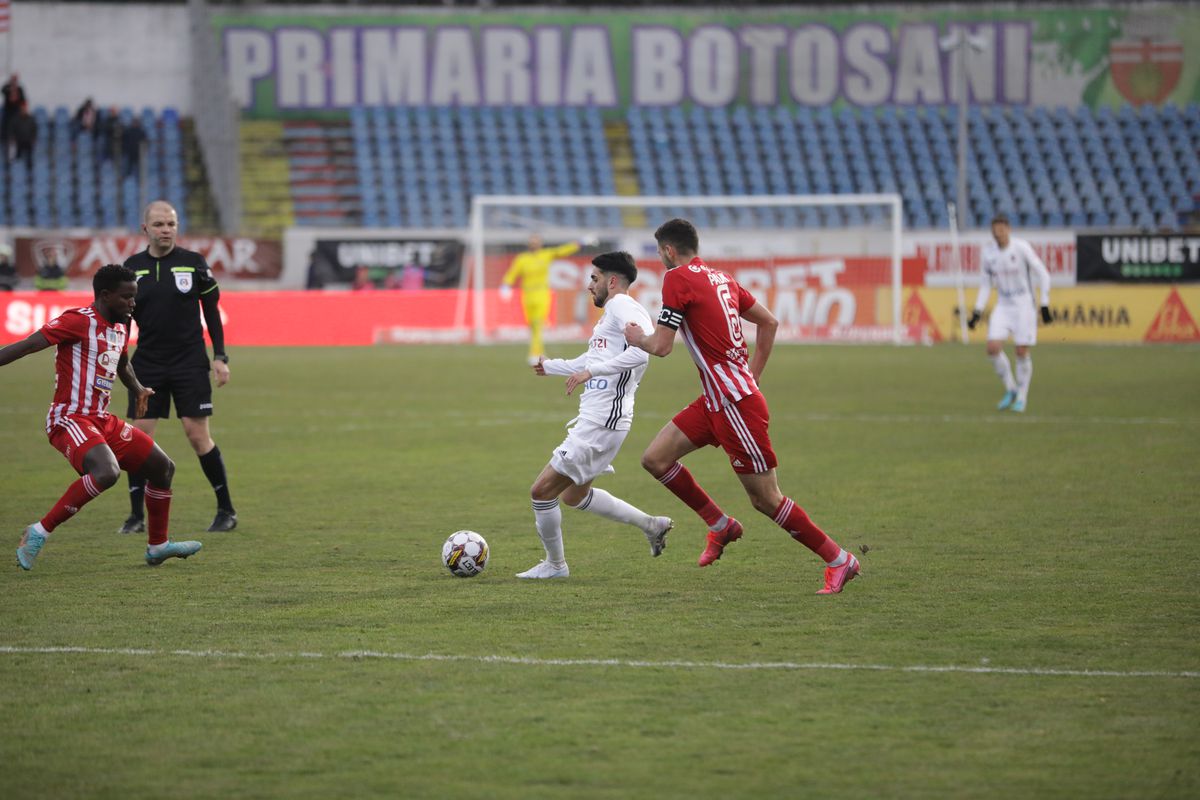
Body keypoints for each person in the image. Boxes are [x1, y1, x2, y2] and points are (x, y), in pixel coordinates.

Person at [624, 218, 860, 595]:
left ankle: (839, 559)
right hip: (716, 402)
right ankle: (720, 525)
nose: (660, 258)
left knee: (765, 499)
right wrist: (754, 374)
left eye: (659, 252)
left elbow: (661, 346)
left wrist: (637, 337)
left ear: (669, 250)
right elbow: (769, 322)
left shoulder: (676, 278)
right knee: (656, 459)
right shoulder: (723, 279)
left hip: (735, 406)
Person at [0, 264, 202, 570]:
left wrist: (138, 389)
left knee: (163, 468)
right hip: (70, 418)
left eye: (134, 296)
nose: (133, 303)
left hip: (101, 420)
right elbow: (28, 345)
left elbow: (122, 364)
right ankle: (38, 531)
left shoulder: (121, 324)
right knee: (107, 472)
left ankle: (158, 546)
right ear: (105, 295)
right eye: (126, 297)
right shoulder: (78, 320)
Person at [519, 251, 673, 579]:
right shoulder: (609, 318)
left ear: (612, 281)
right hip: (599, 419)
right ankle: (652, 525)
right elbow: (591, 360)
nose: (590, 285)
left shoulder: (622, 306)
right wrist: (552, 367)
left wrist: (593, 372)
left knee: (541, 492)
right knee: (574, 495)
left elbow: (643, 352)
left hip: (602, 421)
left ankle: (555, 566)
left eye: (594, 278)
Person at [119, 200, 237, 534]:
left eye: (171, 224)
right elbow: (122, 320)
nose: (166, 230)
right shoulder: (132, 268)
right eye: (159, 224)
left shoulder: (193, 263)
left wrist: (220, 357)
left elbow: (212, 312)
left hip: (189, 362)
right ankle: (136, 517)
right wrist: (117, 357)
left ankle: (226, 511)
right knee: (139, 437)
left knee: (197, 436)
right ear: (145, 229)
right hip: (147, 363)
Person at [967, 213, 1053, 413]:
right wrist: (977, 311)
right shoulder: (989, 254)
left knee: (1021, 351)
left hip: (1024, 305)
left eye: (1001, 230)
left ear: (1008, 230)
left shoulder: (1021, 248)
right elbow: (986, 284)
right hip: (1003, 305)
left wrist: (1045, 304)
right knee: (992, 348)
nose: (998, 234)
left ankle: (1022, 397)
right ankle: (1011, 389)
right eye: (995, 231)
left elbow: (1043, 274)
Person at [500, 233, 597, 365]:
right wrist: (506, 285)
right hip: (527, 295)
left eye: (536, 241)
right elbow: (513, 273)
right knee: (532, 325)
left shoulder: (545, 254)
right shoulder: (522, 259)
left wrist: (580, 242)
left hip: (542, 294)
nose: (534, 244)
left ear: (540, 243)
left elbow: (562, 251)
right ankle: (538, 350)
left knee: (537, 323)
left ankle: (535, 353)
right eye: (532, 241)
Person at [1, 74, 25, 157]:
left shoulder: (19, 89)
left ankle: (18, 155)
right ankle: (6, 155)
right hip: (8, 114)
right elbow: (2, 90)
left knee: (17, 133)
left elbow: (23, 100)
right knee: (7, 135)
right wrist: (9, 88)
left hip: (16, 114)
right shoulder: (7, 87)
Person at [11, 101, 36, 169]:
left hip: (28, 141)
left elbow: (34, 129)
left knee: (29, 159)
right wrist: (13, 138)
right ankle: (18, 171)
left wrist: (34, 138)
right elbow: (13, 129)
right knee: (18, 158)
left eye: (25, 108)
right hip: (19, 142)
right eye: (22, 108)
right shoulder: (16, 119)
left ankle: (29, 171)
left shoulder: (31, 119)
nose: (23, 109)